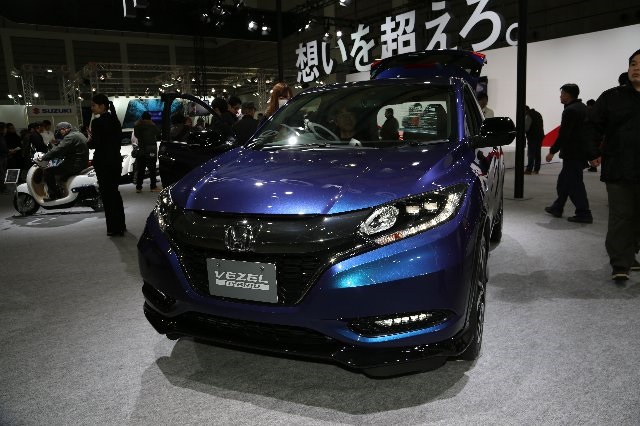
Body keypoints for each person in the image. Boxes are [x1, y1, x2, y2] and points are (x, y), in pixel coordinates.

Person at [585, 49, 640, 281]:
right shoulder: (611, 97)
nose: (636, 68)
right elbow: (592, 124)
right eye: (633, 64)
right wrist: (593, 151)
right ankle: (620, 263)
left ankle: (630, 253)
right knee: (621, 216)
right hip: (619, 167)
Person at [544, 83, 598, 224]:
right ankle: (557, 207)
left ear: (568, 95)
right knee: (564, 182)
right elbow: (589, 133)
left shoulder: (571, 111)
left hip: (573, 153)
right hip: (579, 152)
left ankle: (584, 213)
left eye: (562, 93)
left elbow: (564, 134)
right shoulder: (583, 108)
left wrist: (552, 151)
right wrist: (592, 153)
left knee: (574, 184)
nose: (560, 96)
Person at [87, 93, 126, 237]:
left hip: (103, 162)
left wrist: (88, 141)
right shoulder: (115, 121)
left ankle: (113, 228)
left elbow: (95, 144)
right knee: (115, 193)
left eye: (93, 105)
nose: (92, 108)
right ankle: (121, 225)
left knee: (107, 196)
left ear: (102, 106)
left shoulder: (97, 122)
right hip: (115, 161)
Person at [39, 122, 89, 201]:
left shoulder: (70, 137)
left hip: (74, 164)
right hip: (81, 163)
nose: (60, 133)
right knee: (60, 172)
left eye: (60, 130)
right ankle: (64, 192)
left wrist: (44, 157)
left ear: (64, 129)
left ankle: (53, 195)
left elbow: (59, 149)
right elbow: (69, 149)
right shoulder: (79, 134)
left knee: (48, 171)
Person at [133, 111, 161, 193]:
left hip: (141, 150)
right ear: (149, 118)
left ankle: (138, 187)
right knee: (152, 169)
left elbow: (136, 135)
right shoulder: (151, 125)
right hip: (151, 150)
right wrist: (152, 124)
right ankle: (153, 187)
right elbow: (158, 132)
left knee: (141, 169)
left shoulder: (137, 126)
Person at [524, 105, 544, 174]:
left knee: (531, 153)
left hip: (532, 136)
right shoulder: (538, 114)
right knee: (537, 153)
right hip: (540, 136)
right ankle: (536, 169)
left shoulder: (529, 115)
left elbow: (526, 128)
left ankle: (529, 170)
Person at [0, 122, 8, 194]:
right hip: (1, 157)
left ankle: (3, 188)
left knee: (3, 173)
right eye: (5, 128)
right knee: (1, 174)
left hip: (3, 156)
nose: (6, 130)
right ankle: (2, 189)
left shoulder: (2, 136)